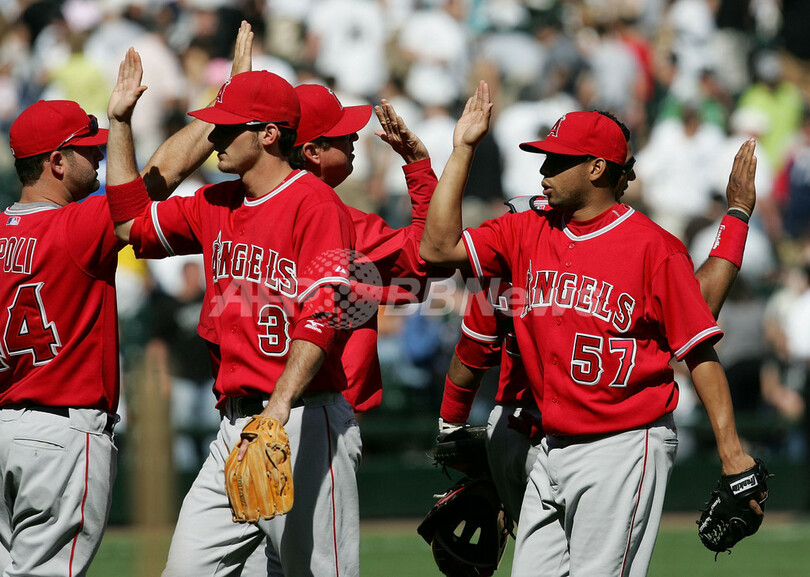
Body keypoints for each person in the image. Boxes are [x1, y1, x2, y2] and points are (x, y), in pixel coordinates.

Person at [420, 81, 763, 575]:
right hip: (548, 446)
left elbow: (698, 348)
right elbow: (435, 249)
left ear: (597, 168)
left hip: (623, 444)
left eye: (558, 161)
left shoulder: (652, 247)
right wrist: (462, 149)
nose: (543, 170)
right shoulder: (525, 229)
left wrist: (731, 454)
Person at [0, 35, 252, 575]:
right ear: (57, 162)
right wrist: (229, 107)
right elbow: (159, 178)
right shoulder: (74, 227)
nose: (98, 157)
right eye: (88, 150)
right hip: (61, 434)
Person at [105, 51, 360, 577]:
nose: (213, 139)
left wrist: (280, 406)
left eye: (225, 129)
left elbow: (324, 314)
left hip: (303, 419)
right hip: (235, 426)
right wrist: (121, 124)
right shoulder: (215, 201)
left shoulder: (316, 204)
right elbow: (129, 225)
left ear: (268, 135)